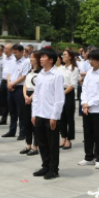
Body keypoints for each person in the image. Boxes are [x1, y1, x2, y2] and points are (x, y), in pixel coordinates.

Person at [31, 48, 65, 180]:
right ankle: (45, 165)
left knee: (52, 144)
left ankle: (53, 169)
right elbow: (36, 95)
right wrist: (34, 113)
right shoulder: (40, 74)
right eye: (40, 57)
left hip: (50, 115)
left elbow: (59, 98)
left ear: (51, 60)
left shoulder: (57, 75)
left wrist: (54, 116)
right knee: (42, 142)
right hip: (39, 113)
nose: (40, 59)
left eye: (43, 57)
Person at [79, 49, 99, 168]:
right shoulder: (89, 73)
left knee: (98, 135)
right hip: (86, 108)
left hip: (97, 109)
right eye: (90, 59)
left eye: (93, 59)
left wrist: (89, 104)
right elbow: (84, 88)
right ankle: (88, 157)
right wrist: (84, 103)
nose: (91, 61)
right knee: (87, 134)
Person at [4, 44, 29, 139]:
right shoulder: (12, 61)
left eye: (16, 52)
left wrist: (13, 83)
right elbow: (8, 74)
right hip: (11, 88)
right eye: (13, 52)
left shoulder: (26, 62)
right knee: (12, 111)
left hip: (19, 88)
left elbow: (24, 76)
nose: (14, 54)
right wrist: (9, 83)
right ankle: (12, 130)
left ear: (22, 52)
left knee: (21, 111)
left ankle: (22, 132)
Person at [20, 51, 41, 156]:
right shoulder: (29, 70)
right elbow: (25, 84)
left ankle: (35, 146)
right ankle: (28, 144)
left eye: (32, 58)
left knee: (35, 123)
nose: (30, 59)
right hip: (27, 96)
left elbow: (39, 87)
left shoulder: (41, 72)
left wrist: (31, 97)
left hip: (36, 96)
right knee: (27, 121)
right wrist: (25, 96)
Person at [58, 49, 80, 150]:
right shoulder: (60, 68)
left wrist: (63, 93)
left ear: (70, 57)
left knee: (69, 118)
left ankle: (69, 139)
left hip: (68, 93)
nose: (63, 56)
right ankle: (63, 137)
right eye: (62, 55)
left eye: (65, 55)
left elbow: (73, 84)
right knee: (61, 117)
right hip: (59, 92)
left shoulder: (74, 69)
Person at [0, 43, 14, 125]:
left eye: (7, 49)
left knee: (10, 101)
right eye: (4, 48)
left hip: (11, 81)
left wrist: (10, 82)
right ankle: (3, 117)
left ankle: (13, 118)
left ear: (11, 50)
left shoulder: (14, 59)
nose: (5, 50)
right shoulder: (4, 57)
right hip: (3, 80)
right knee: (2, 100)